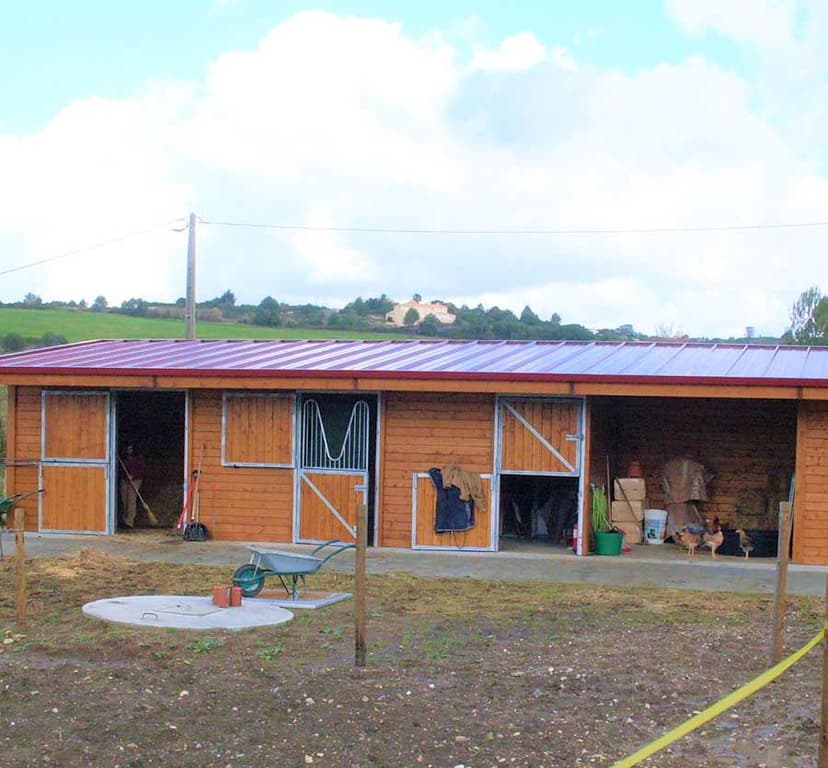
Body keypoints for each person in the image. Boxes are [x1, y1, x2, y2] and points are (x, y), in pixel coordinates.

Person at [119, 443, 147, 528]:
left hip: (136, 480)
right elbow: (121, 469)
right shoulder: (125, 459)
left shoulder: (139, 459)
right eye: (128, 449)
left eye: (130, 449)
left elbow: (142, 470)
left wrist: (133, 475)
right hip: (125, 480)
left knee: (131, 499)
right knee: (124, 500)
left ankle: (129, 522)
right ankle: (124, 519)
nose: (129, 451)